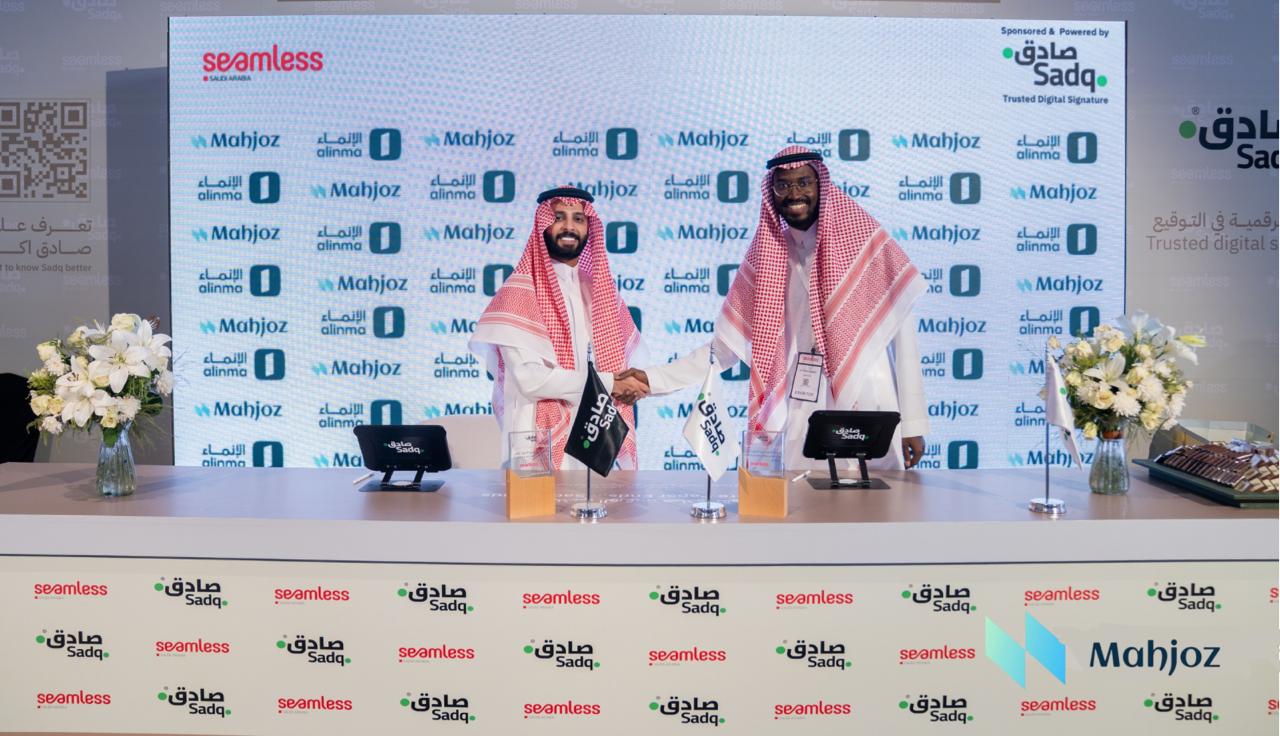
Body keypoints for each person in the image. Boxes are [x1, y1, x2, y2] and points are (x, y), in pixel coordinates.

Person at [626, 146, 929, 469]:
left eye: (804, 183)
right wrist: (653, 379)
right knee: (802, 496)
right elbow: (724, 349)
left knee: (877, 498)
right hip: (804, 406)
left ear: (821, 185)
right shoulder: (767, 256)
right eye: (783, 185)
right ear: (772, 191)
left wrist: (913, 423)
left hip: (868, 399)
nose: (794, 194)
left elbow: (904, 337)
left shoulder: (864, 242)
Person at [469, 187, 652, 469]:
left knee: (596, 498)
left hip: (593, 439)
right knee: (539, 499)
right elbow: (531, 380)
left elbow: (630, 367)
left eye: (578, 219)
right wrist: (612, 383)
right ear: (543, 225)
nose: (569, 226)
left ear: (589, 227)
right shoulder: (518, 294)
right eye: (558, 218)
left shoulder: (600, 292)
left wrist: (633, 385)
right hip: (535, 444)